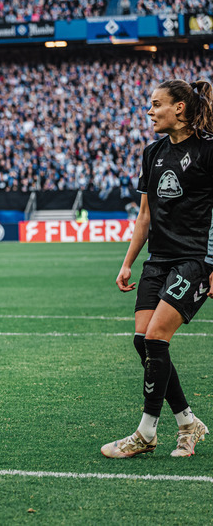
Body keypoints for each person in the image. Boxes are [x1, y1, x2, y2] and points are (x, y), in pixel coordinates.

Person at [105, 79, 213, 459]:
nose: (149, 112)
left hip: (194, 260)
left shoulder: (208, 151)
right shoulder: (152, 153)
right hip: (158, 259)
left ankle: (146, 433)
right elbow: (144, 217)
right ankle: (187, 422)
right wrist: (127, 262)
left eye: (156, 104)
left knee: (155, 338)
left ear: (179, 108)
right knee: (144, 341)